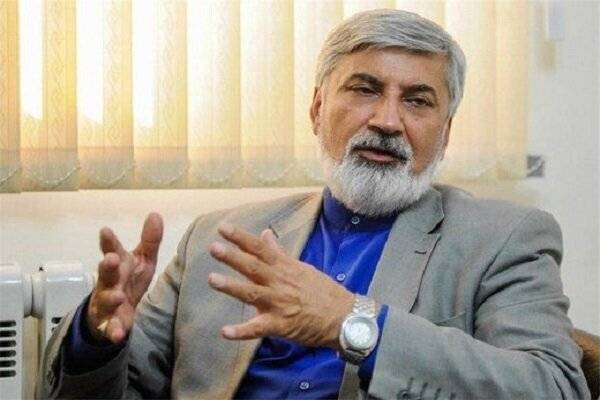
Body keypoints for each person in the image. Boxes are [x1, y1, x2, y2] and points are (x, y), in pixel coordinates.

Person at [37, 9, 590, 400]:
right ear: (317, 110)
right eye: (365, 89)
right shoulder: (218, 237)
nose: (387, 120)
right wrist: (95, 338)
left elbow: (554, 386)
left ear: (445, 134)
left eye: (417, 101)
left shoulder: (503, 238)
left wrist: (355, 323)